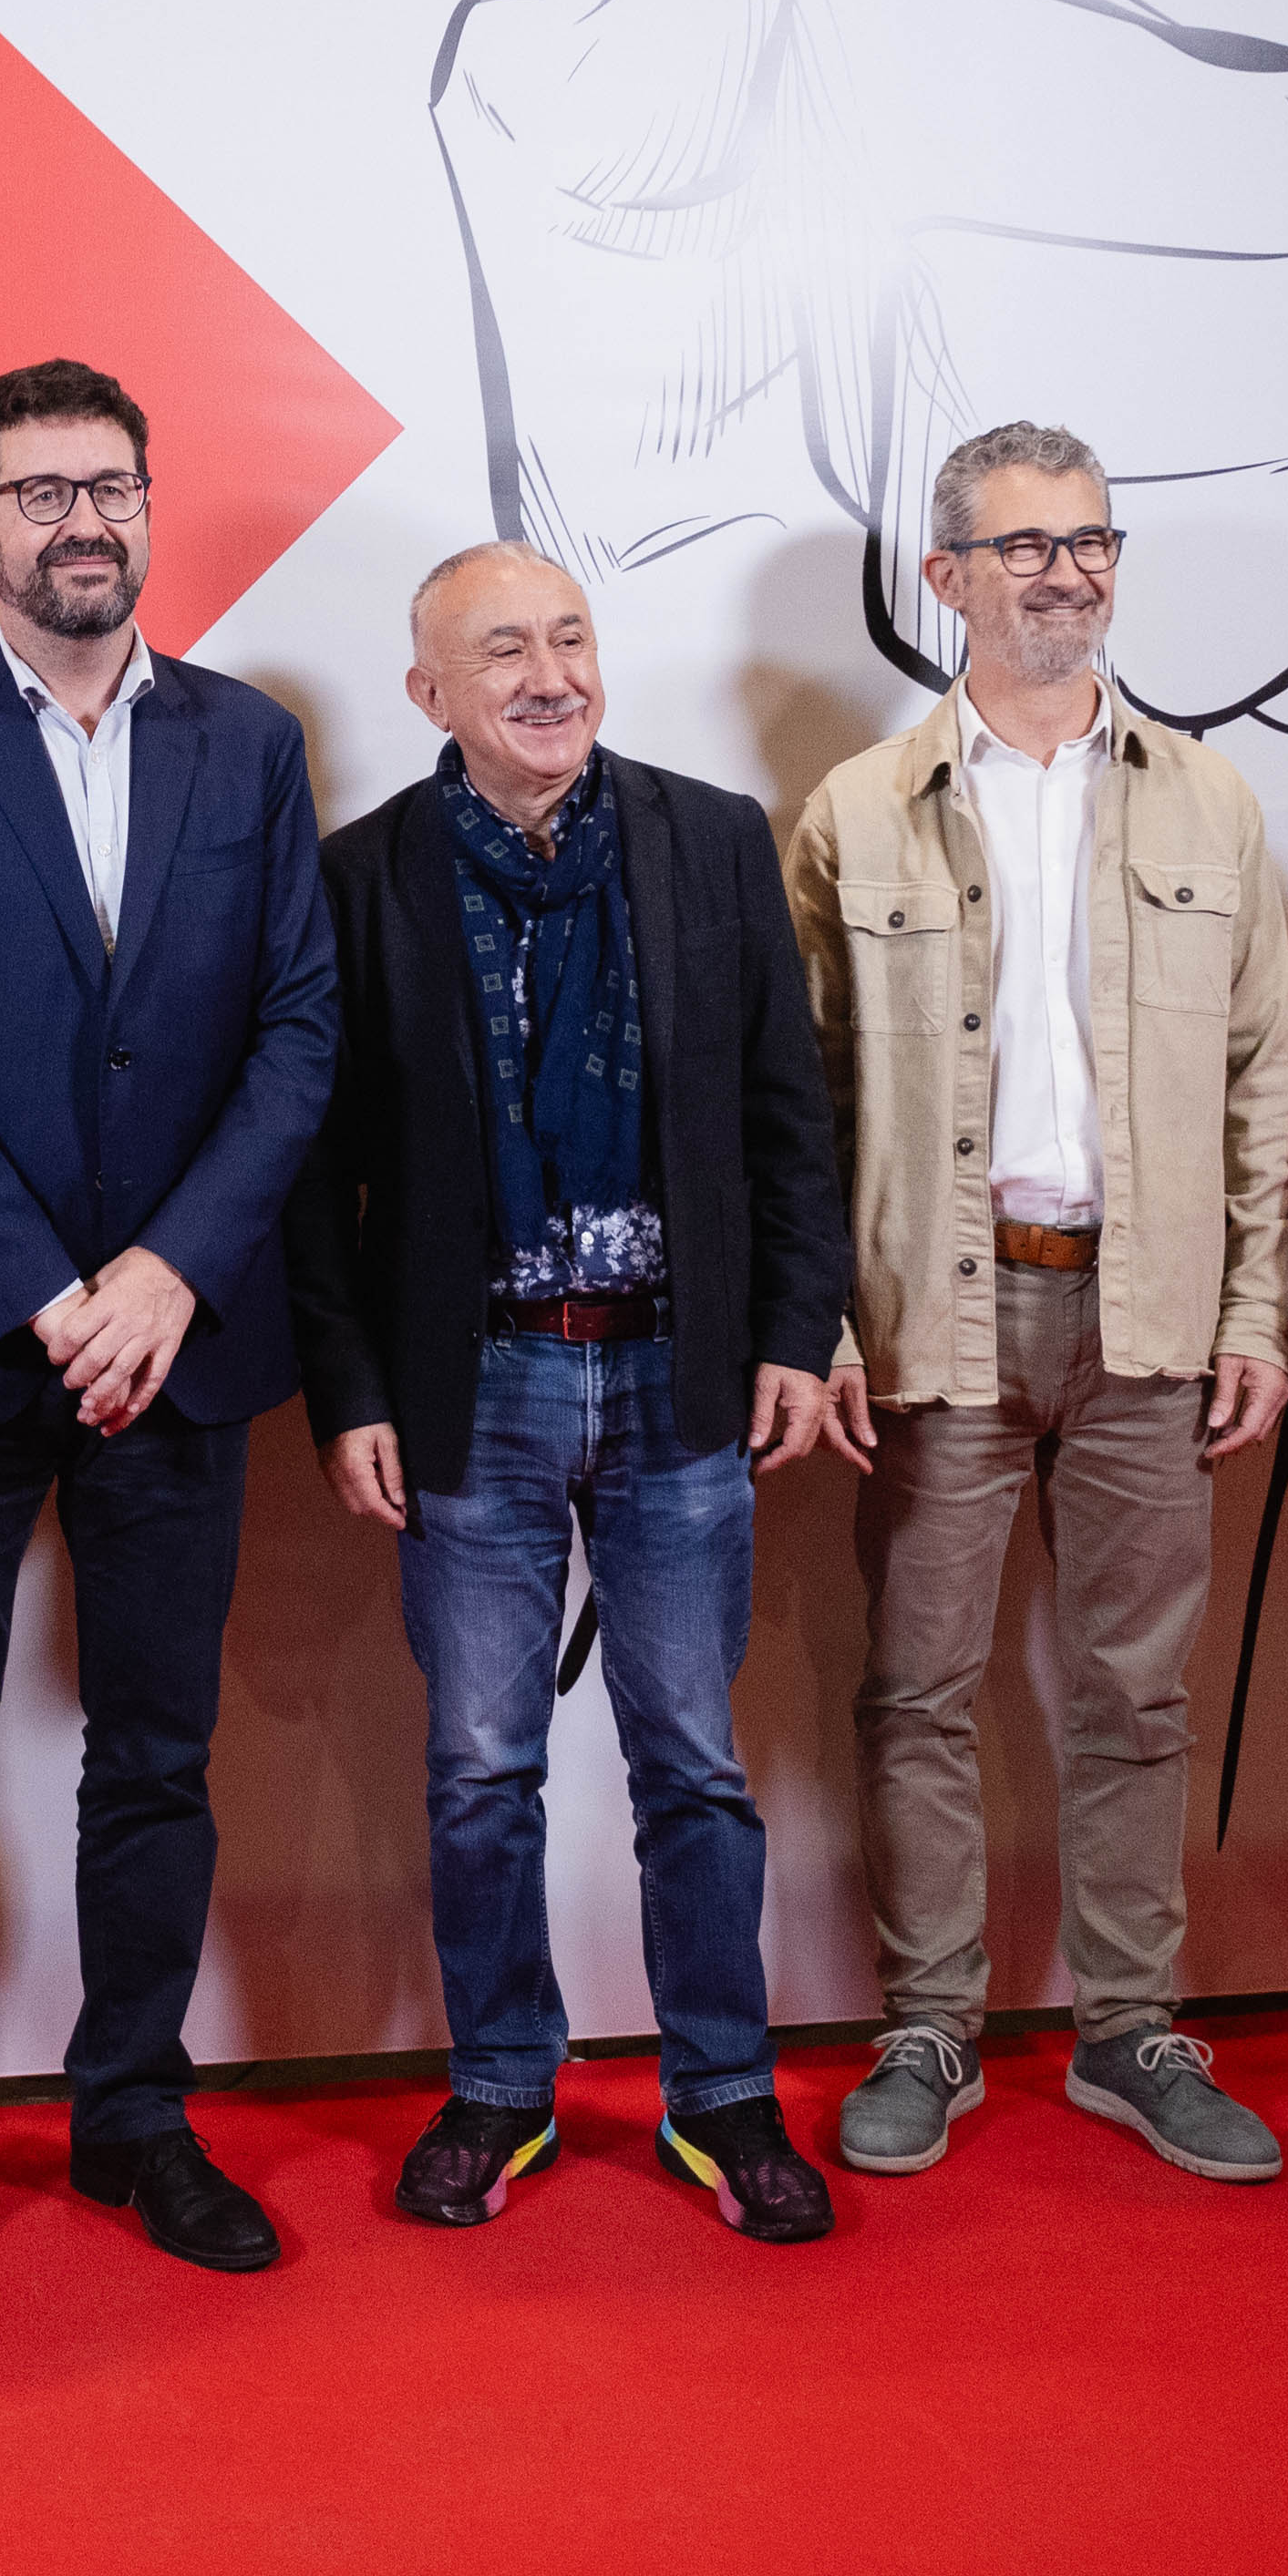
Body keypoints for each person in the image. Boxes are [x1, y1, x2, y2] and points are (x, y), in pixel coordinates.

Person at [0, 356, 343, 2317]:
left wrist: (167, 1273)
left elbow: (299, 1030)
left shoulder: (250, 744)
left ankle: (130, 2112)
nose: (77, 520)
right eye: (36, 493)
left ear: (146, 498)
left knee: (157, 1759)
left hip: (179, 1343)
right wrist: (50, 1290)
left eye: (103, 483)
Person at [289, 545, 850, 2242]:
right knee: (478, 1766)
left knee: (693, 1760)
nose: (548, 673)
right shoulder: (361, 876)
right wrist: (347, 1388)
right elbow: (318, 1174)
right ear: (429, 695)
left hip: (680, 1373)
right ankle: (499, 2084)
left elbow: (785, 1112)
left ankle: (722, 2089)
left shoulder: (708, 839)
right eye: (501, 650)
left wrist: (791, 1327)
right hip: (473, 1383)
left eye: (570, 637)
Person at [784, 420, 1288, 2187]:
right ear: (945, 578)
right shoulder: (856, 812)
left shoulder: (1207, 801)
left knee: (1133, 1693)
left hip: (1148, 1316)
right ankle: (927, 2025)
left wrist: (1257, 1312)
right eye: (1022, 545)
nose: (1064, 570)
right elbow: (806, 1100)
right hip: (935, 1313)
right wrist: (823, 1324)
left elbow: (1260, 1081)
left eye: (1088, 538)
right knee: (919, 1689)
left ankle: (1126, 2028)